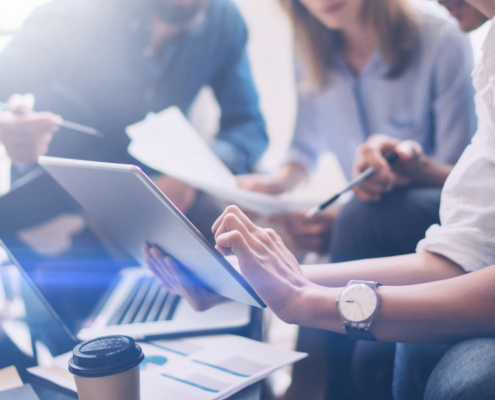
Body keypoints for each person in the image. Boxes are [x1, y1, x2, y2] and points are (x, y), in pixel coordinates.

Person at [143, 1, 495, 395]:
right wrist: (254, 281)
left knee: (360, 217)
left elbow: (454, 190)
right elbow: (467, 248)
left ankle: (320, 386)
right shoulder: (313, 49)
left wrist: (306, 299)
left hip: (400, 206)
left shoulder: (444, 40)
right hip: (419, 217)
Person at [0, 0, 268, 242]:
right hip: (58, 208)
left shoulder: (224, 22)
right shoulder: (71, 14)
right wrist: (6, 123)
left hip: (160, 198)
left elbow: (249, 126)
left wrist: (191, 175)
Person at [237, 0, 475, 259]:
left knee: (353, 221)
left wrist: (342, 217)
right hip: (362, 211)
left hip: (431, 214)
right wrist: (273, 184)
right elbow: (303, 147)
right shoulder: (310, 50)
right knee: (263, 235)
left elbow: (460, 178)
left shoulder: (443, 40)